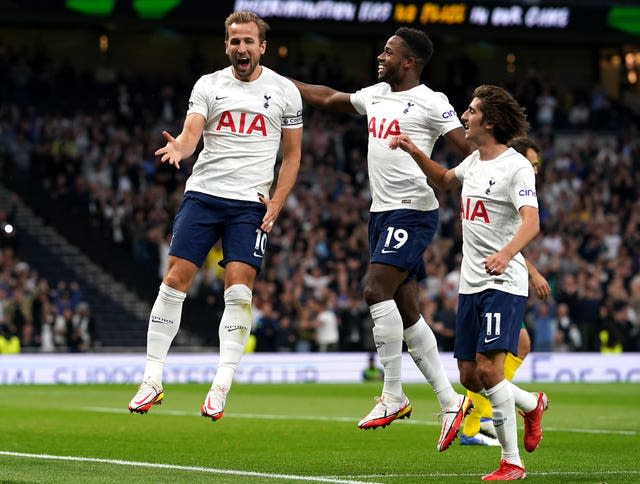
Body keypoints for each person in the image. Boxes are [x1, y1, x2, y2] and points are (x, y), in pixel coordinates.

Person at [291, 27, 473, 452]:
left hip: (413, 208)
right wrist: (278, 81)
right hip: (381, 212)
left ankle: (393, 394)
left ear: (408, 62)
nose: (381, 56)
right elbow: (328, 98)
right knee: (407, 309)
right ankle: (450, 403)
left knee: (374, 289)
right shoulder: (374, 94)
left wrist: (494, 169)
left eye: (388, 52)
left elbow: (467, 147)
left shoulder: (432, 102)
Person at [128, 11, 303, 421]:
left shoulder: (284, 91)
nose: (241, 48)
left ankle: (221, 384)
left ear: (262, 46)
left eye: (248, 41)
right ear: (227, 46)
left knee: (239, 288)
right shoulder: (209, 84)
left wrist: (277, 200)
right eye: (234, 42)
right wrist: (181, 148)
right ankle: (152, 379)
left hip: (250, 204)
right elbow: (191, 132)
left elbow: (292, 156)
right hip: (205, 196)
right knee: (174, 280)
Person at [390, 84, 548, 480]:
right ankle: (530, 404)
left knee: (490, 371)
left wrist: (508, 255)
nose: (465, 115)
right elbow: (445, 179)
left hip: (503, 281)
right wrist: (414, 151)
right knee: (468, 377)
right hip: (471, 283)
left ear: (489, 122)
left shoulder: (516, 166)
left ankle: (512, 462)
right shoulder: (476, 160)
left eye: (472, 110)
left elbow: (532, 221)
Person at [460, 136, 551, 447]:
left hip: (502, 280)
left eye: (537, 166)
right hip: (488, 277)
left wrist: (531, 271)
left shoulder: (520, 185)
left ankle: (479, 415)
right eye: (531, 164)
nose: (534, 171)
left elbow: (511, 240)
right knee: (486, 365)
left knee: (512, 349)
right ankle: (478, 413)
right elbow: (502, 242)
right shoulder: (507, 175)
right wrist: (534, 272)